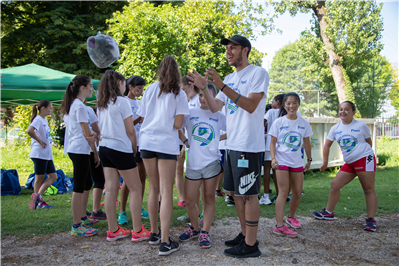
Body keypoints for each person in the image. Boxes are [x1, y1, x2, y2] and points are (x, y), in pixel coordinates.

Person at [187, 35, 269, 258]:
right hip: (232, 144)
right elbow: (214, 108)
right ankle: (245, 235)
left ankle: (251, 245)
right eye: (227, 48)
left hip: (249, 145)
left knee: (249, 194)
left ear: (246, 50)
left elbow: (251, 105)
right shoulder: (231, 78)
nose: (228, 52)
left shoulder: (258, 73)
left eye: (233, 48)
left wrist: (221, 84)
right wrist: (205, 89)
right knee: (236, 194)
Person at [137, 55, 190, 256]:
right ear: (176, 72)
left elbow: (143, 116)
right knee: (167, 192)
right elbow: (177, 125)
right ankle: (166, 242)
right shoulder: (179, 93)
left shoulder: (150, 88)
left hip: (147, 142)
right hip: (166, 143)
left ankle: (154, 233)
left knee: (154, 189)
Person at [96, 70, 150, 242]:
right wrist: (134, 149)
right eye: (123, 83)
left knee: (111, 189)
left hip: (104, 147)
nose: (125, 85)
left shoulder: (102, 102)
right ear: (118, 84)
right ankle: (137, 230)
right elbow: (130, 130)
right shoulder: (122, 101)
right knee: (135, 188)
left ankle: (113, 230)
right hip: (120, 147)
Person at [312, 101, 378, 232]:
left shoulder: (361, 125)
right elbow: (327, 145)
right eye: (341, 109)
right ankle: (328, 213)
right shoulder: (335, 128)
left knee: (368, 188)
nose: (343, 112)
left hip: (364, 159)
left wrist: (363, 157)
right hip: (350, 162)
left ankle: (371, 220)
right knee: (335, 185)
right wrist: (325, 163)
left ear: (353, 112)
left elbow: (368, 143)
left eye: (347, 109)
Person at [177, 85, 226, 249]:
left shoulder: (219, 116)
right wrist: (185, 142)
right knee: (190, 200)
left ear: (214, 97)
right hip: (193, 164)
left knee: (208, 198)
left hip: (212, 163)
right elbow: (177, 126)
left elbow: (233, 130)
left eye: (207, 95)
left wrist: (217, 138)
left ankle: (205, 231)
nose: (203, 99)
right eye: (201, 96)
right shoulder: (190, 113)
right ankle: (195, 228)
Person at [269, 92, 313, 237]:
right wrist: (273, 158)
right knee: (283, 192)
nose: (291, 106)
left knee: (298, 191)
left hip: (296, 162)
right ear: (284, 105)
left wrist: (309, 160)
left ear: (298, 104)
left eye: (294, 103)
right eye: (288, 103)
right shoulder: (279, 122)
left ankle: (291, 217)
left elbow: (306, 143)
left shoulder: (304, 123)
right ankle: (279, 225)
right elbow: (273, 142)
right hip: (281, 161)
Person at [61, 74, 99, 237]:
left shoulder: (74, 105)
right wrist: (95, 151)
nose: (92, 88)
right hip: (79, 149)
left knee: (84, 184)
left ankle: (82, 218)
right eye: (90, 85)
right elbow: (88, 134)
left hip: (77, 149)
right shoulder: (80, 106)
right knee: (78, 187)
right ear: (82, 87)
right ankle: (77, 225)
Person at [118, 75, 149, 225]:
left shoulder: (140, 102)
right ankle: (122, 211)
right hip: (129, 144)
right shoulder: (123, 102)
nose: (141, 91)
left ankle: (138, 207)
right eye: (138, 88)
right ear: (130, 87)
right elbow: (127, 125)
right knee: (128, 180)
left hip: (142, 143)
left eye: (142, 88)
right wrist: (140, 118)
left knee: (142, 177)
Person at [175, 76, 201, 207]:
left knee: (197, 182)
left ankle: (198, 214)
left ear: (191, 86)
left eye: (184, 90)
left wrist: (185, 145)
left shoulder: (198, 101)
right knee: (193, 181)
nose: (182, 94)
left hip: (198, 146)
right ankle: (194, 213)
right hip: (190, 145)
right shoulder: (190, 102)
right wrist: (184, 144)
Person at [27, 100, 57, 210]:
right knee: (39, 178)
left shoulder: (44, 120)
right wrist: (39, 141)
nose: (51, 109)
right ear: (43, 108)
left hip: (46, 154)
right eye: (50, 107)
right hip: (39, 153)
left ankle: (38, 197)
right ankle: (38, 202)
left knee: (53, 176)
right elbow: (29, 130)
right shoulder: (38, 119)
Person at [261, 94, 285, 205]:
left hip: (269, 145)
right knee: (277, 170)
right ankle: (280, 194)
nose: (272, 103)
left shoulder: (270, 112)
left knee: (267, 169)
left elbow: (262, 124)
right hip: (281, 146)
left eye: (273, 101)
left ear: (278, 102)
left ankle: (266, 195)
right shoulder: (287, 114)